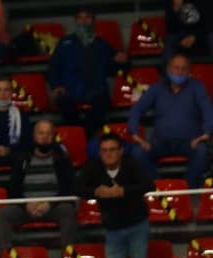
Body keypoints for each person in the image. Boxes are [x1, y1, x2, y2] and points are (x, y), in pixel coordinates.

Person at [77, 134, 169, 258]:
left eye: (112, 150)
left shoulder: (131, 164)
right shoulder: (93, 168)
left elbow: (148, 185)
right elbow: (78, 188)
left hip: (137, 226)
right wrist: (96, 190)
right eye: (104, 151)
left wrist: (124, 191)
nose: (108, 154)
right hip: (113, 229)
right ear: (100, 153)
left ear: (120, 151)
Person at [0, 119, 78, 258]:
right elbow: (13, 189)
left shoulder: (62, 158)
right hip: (26, 206)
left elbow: (68, 189)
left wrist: (49, 204)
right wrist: (26, 204)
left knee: (68, 211)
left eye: (48, 133)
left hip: (53, 206)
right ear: (34, 136)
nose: (44, 137)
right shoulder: (22, 158)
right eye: (41, 133)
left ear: (53, 136)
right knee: (4, 213)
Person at [128, 54, 213, 189]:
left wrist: (206, 133)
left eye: (184, 69)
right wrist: (135, 134)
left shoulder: (197, 87)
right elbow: (137, 109)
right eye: (176, 68)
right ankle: (156, 187)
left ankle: (188, 189)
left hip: (189, 142)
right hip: (160, 143)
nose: (179, 72)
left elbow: (207, 110)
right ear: (168, 69)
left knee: (202, 151)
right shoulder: (157, 88)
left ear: (189, 71)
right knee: (138, 152)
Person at [47, 7, 127, 136]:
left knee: (103, 103)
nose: (83, 21)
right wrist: (55, 86)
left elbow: (113, 70)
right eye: (80, 18)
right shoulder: (64, 43)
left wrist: (122, 61)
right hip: (70, 90)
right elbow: (53, 67)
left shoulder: (102, 44)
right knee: (63, 102)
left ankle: (84, 136)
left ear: (93, 21)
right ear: (75, 21)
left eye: (87, 17)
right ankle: (79, 134)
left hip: (96, 90)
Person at [164, 0, 209, 64]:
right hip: (179, 33)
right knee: (170, 43)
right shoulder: (172, 2)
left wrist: (194, 36)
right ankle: (168, 69)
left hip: (200, 33)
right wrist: (176, 9)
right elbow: (170, 28)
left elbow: (208, 24)